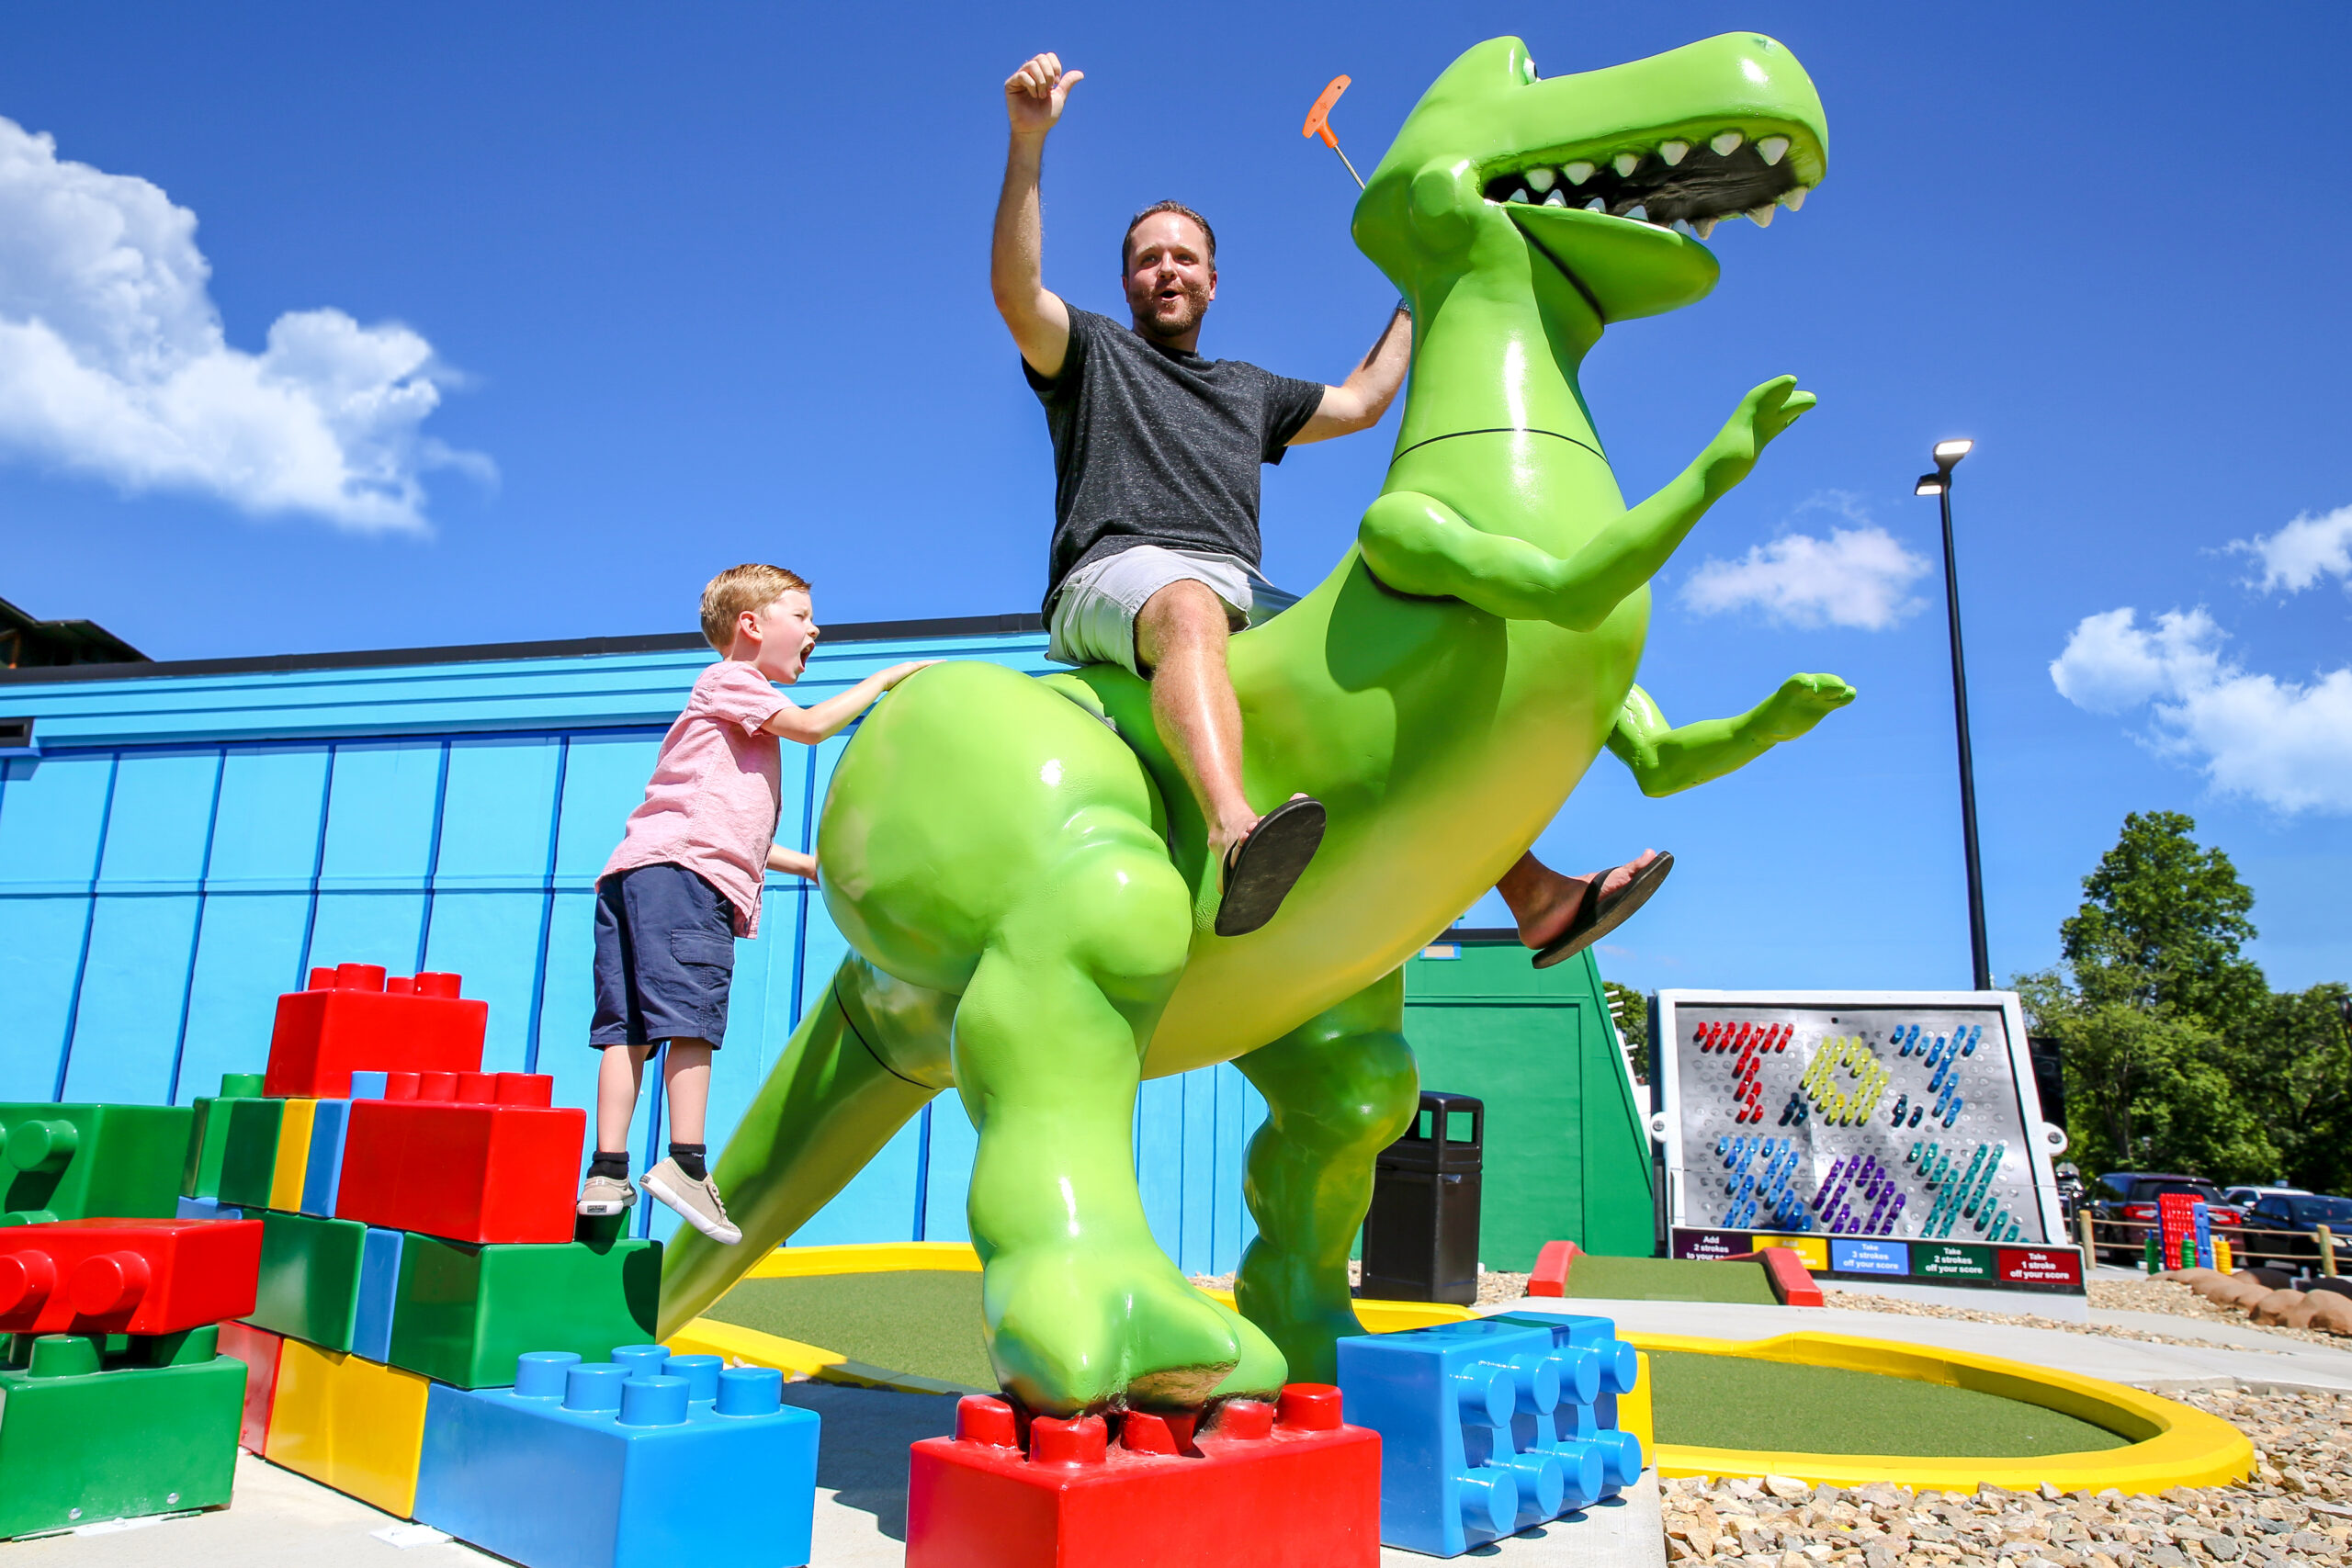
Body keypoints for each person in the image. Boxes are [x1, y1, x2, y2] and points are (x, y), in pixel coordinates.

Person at [992, 51, 1670, 962]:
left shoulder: (1245, 388)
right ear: (1125, 285)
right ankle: (1237, 834)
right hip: (1120, 576)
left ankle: (1539, 895)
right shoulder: (1092, 355)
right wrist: (1027, 144)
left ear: (1211, 281)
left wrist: (1422, 290)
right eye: (1148, 260)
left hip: (1240, 584)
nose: (1167, 271)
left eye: (1184, 258)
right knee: (1188, 608)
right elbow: (1016, 290)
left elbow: (1359, 403)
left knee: (1402, 653)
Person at [576, 564, 931, 1238]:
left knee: (628, 1032)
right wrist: (885, 679)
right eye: (800, 616)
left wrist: (805, 864)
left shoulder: (723, 712)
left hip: (638, 875)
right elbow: (814, 727)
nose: (814, 628)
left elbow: (722, 826)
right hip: (686, 881)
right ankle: (686, 1161)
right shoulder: (737, 681)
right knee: (691, 1019)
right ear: (751, 625)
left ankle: (607, 1170)